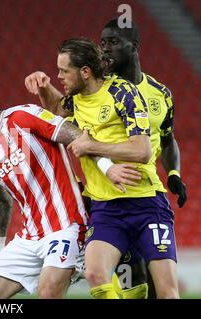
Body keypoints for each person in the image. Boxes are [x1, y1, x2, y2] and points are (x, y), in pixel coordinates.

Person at [0, 81, 137, 299]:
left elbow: (74, 135)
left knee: (48, 294)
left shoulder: (22, 117)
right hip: (29, 236)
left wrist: (107, 167)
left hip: (67, 226)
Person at [24, 38, 179, 299]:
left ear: (85, 72)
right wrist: (44, 84)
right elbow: (55, 109)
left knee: (166, 292)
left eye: (63, 71)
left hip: (146, 203)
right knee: (95, 274)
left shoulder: (122, 93)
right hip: (106, 209)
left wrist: (91, 146)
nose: (59, 76)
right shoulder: (77, 97)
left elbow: (142, 151)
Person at [100, 18, 187, 299]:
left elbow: (167, 139)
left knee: (154, 284)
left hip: (148, 197)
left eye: (113, 42)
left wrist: (174, 174)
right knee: (128, 280)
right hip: (109, 201)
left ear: (134, 46)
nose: (105, 50)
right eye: (102, 44)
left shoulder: (161, 94)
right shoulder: (99, 91)